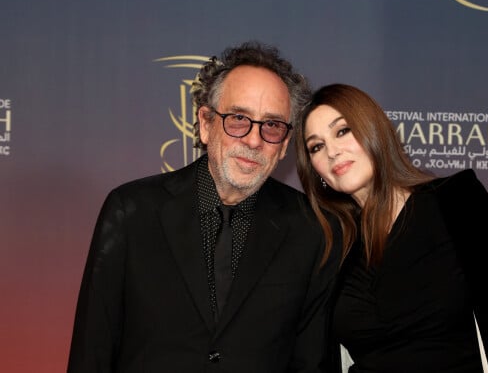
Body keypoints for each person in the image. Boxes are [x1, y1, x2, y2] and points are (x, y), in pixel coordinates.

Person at [67, 41, 341, 373]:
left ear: (284, 145)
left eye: (271, 125)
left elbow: (312, 361)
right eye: (239, 118)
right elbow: (92, 350)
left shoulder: (312, 228)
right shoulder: (132, 211)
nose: (254, 140)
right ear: (206, 123)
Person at [294, 83, 488, 373]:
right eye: (316, 146)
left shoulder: (460, 203)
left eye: (342, 131)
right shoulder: (332, 246)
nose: (332, 151)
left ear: (374, 131)